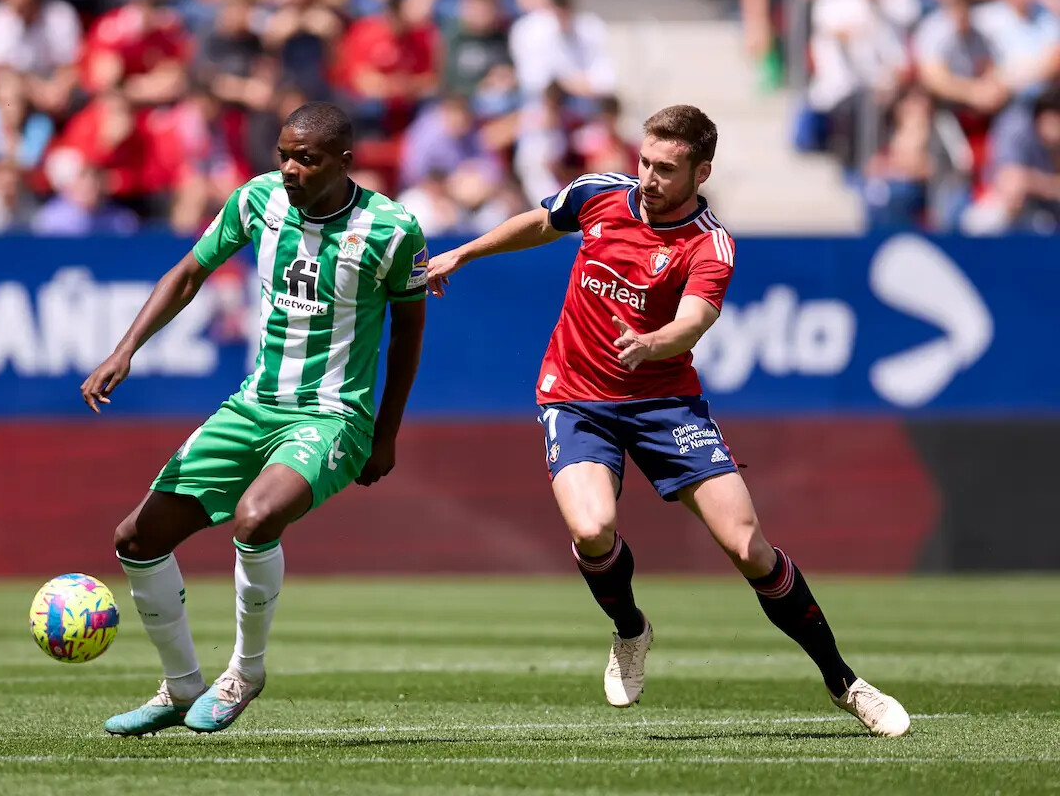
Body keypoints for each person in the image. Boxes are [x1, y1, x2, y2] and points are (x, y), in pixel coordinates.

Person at [426, 104, 912, 737]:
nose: (649, 178)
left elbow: (696, 319)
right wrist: (461, 254)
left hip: (665, 404)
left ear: (700, 172)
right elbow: (541, 223)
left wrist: (654, 343)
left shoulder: (709, 242)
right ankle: (631, 630)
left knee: (747, 546)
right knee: (593, 527)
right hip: (575, 395)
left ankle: (845, 682)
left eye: (666, 169)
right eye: (645, 162)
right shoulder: (601, 194)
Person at [81, 101, 428, 735]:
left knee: (257, 516)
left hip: (332, 415)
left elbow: (409, 332)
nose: (291, 169)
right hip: (253, 404)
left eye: (307, 158)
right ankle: (182, 683)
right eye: (284, 155)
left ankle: (245, 670)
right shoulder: (256, 201)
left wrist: (387, 432)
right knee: (136, 538)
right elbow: (189, 274)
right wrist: (125, 349)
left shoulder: (392, 228)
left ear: (343, 163)